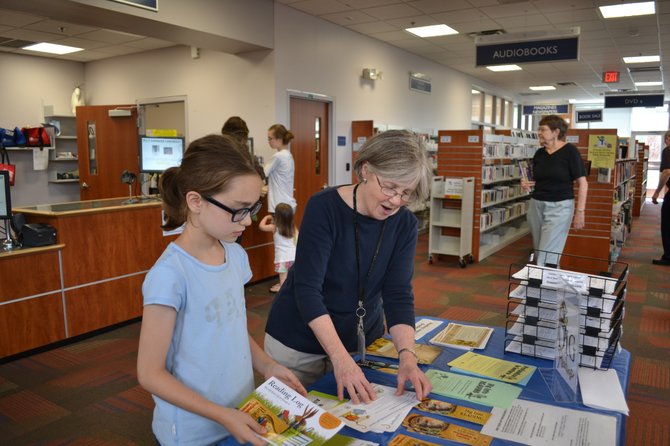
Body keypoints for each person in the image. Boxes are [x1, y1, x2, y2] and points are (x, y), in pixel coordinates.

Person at [136, 134, 306, 446]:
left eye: (252, 208)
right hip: (193, 433)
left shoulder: (236, 256)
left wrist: (266, 364)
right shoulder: (170, 275)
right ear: (196, 201)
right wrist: (220, 414)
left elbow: (232, 328)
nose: (248, 221)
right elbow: (149, 373)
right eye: (238, 209)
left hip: (238, 417)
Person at [264, 129, 433, 405]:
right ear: (366, 169)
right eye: (390, 187)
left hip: (360, 343)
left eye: (406, 193)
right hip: (298, 343)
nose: (396, 201)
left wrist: (407, 355)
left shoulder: (405, 225)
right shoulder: (324, 207)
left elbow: (398, 294)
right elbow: (307, 290)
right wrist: (339, 358)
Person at [521, 115, 588, 267]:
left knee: (548, 252)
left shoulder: (570, 152)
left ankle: (541, 283)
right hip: (536, 205)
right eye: (539, 129)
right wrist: (526, 184)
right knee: (539, 249)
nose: (539, 133)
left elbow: (583, 183)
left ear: (556, 132)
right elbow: (537, 180)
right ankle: (547, 281)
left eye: (543, 129)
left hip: (560, 206)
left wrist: (580, 212)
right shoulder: (539, 154)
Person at [259, 202, 298, 293]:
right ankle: (291, 286)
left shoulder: (275, 227)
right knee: (292, 274)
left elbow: (261, 227)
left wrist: (267, 217)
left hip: (282, 258)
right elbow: (297, 241)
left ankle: (282, 288)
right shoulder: (293, 228)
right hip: (294, 257)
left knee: (283, 276)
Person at [265, 124, 297, 213]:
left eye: (270, 138)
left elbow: (262, 174)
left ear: (279, 139)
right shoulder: (288, 155)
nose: (268, 141)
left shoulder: (278, 156)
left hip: (279, 206)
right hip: (288, 205)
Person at [651, 130, 670, 266]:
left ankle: (668, 257)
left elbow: (667, 172)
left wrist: (657, 191)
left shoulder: (667, 151)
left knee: (667, 225)